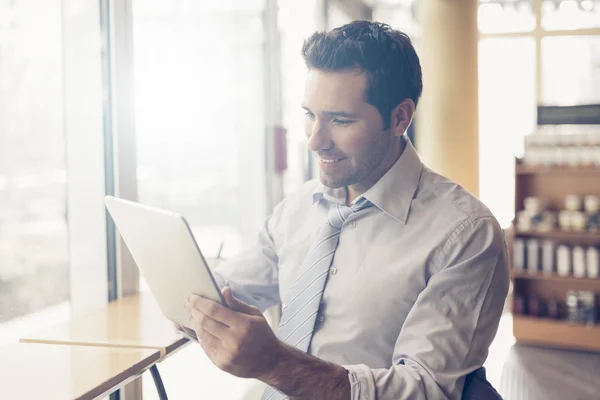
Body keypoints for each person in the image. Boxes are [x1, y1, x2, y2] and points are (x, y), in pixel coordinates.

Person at [181, 21, 509, 400]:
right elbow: (225, 288)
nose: (315, 140)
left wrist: (275, 364)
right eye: (310, 115)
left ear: (400, 118)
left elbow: (424, 391)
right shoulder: (299, 207)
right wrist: (189, 295)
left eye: (340, 120)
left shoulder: (465, 235)